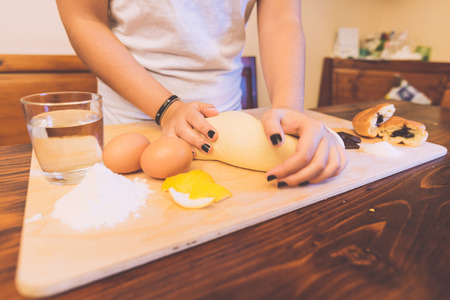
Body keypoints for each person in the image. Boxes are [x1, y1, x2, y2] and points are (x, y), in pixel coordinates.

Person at [55, 0, 347, 187]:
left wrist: (289, 109)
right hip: (131, 120)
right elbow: (83, 18)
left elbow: (280, 19)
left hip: (224, 121)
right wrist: (167, 107)